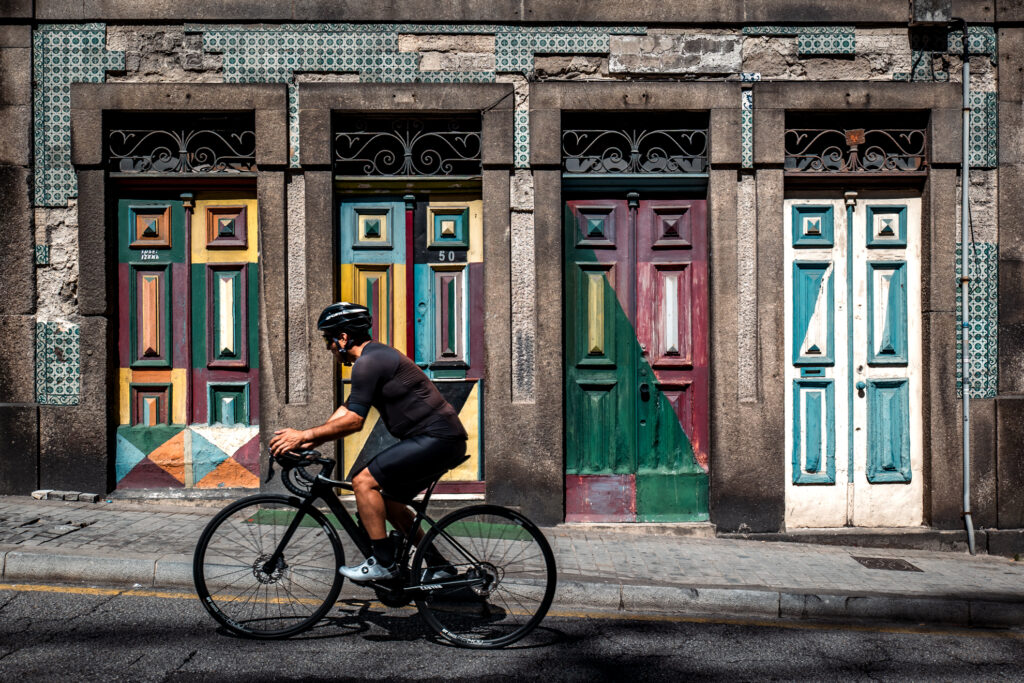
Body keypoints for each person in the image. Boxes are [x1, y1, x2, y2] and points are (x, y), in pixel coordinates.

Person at [268, 302, 468, 581]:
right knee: (389, 503)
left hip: (437, 438)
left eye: (329, 339)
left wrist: (304, 435)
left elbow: (354, 421)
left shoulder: (369, 362)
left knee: (364, 482)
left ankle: (383, 563)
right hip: (439, 439)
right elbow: (346, 410)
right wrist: (305, 443)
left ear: (344, 338)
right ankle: (439, 567)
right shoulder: (374, 358)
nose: (328, 347)